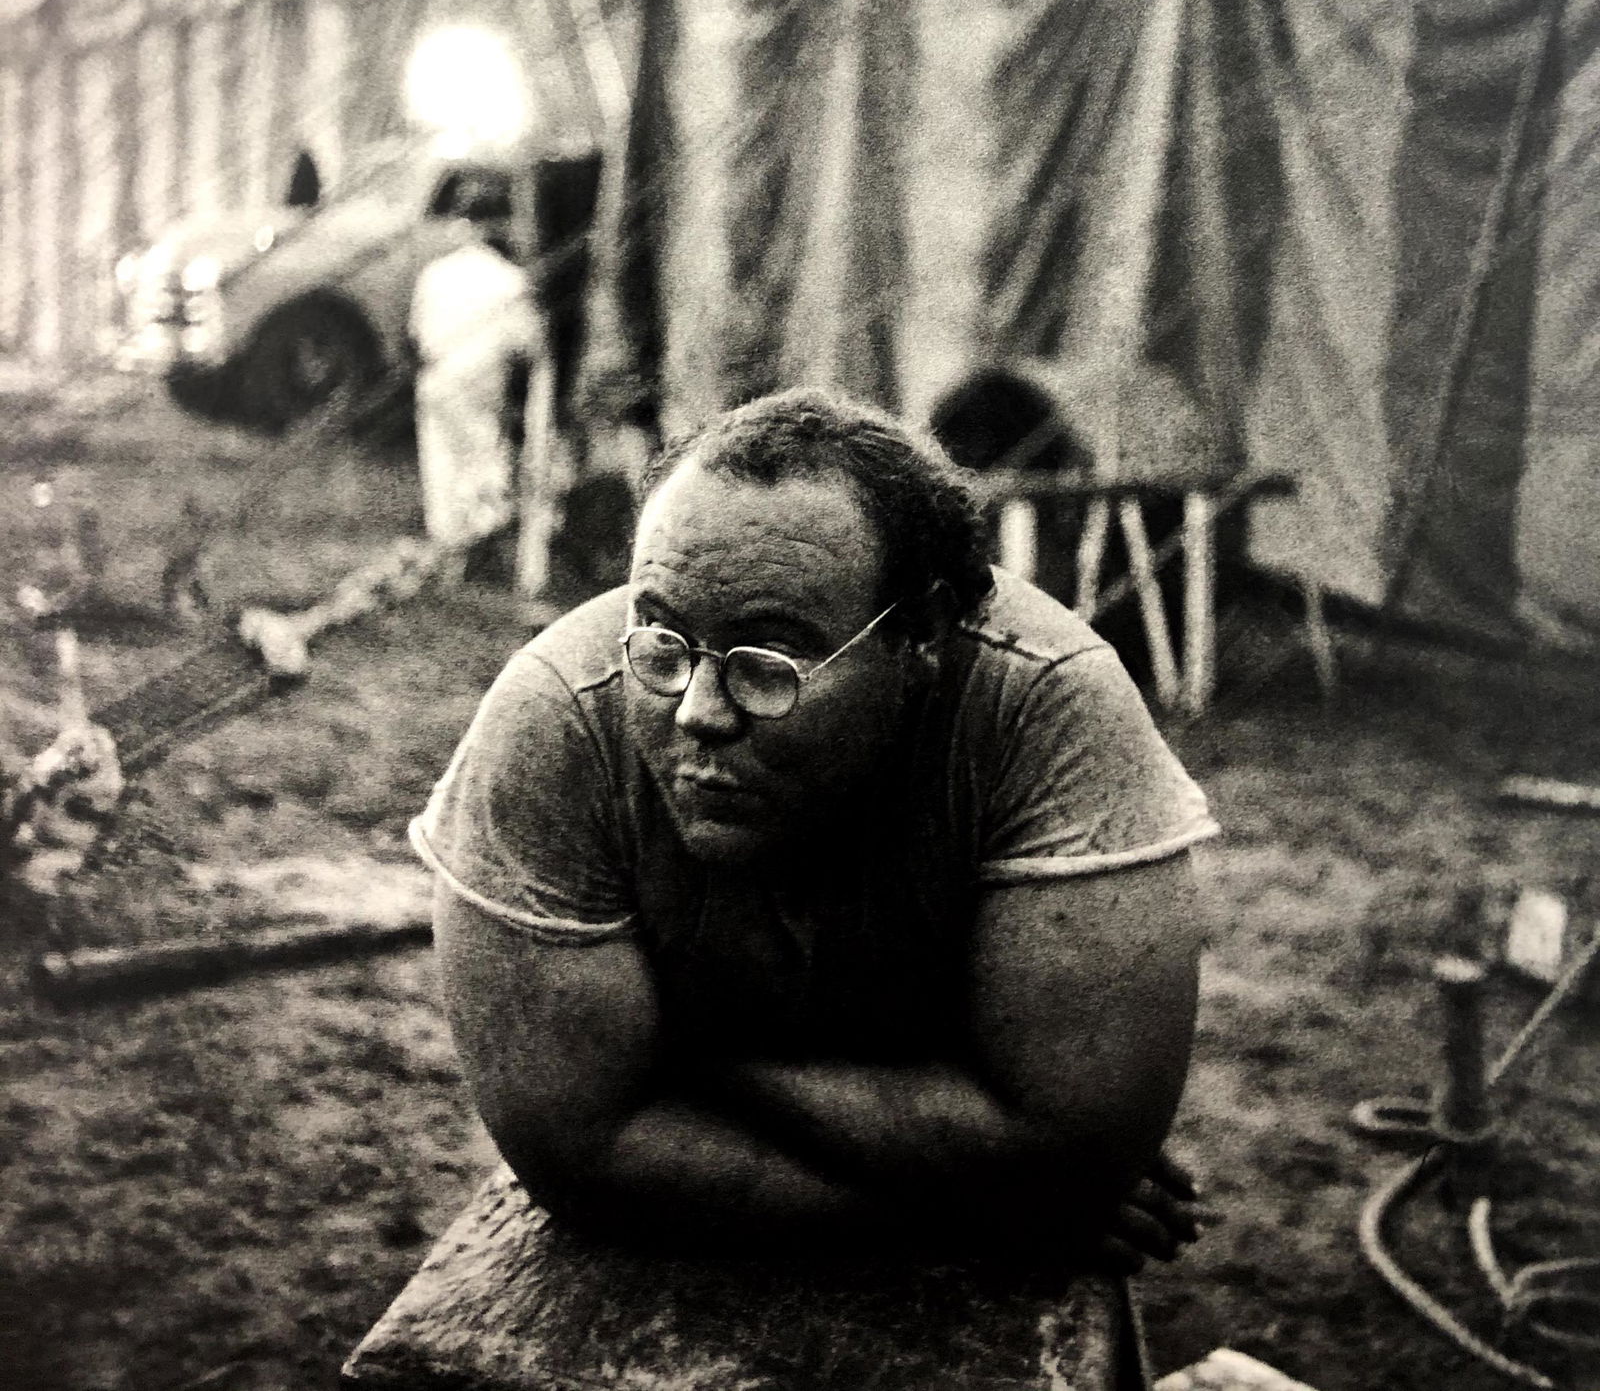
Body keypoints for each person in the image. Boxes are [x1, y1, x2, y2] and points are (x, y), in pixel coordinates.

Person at [412, 387, 1218, 1274]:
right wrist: (979, 1214)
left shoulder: (1045, 702)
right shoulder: (557, 716)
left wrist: (687, 1057)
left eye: (770, 659)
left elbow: (1073, 1144)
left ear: (921, 634)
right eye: (663, 634)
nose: (699, 712)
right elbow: (580, 1154)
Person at [408, 183, 542, 572]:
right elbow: (527, 344)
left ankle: (452, 549)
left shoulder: (435, 273)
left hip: (439, 376)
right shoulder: (511, 279)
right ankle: (479, 544)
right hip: (483, 378)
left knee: (443, 462)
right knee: (484, 458)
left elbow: (417, 334)